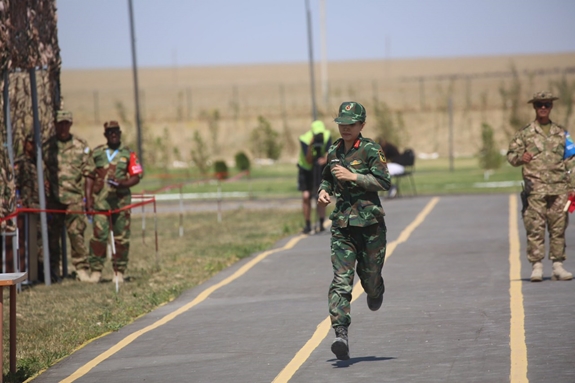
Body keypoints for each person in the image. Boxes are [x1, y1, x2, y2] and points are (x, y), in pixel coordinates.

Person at [317, 101, 391, 360]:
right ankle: (340, 334)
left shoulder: (371, 150)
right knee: (341, 281)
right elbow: (327, 176)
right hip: (342, 228)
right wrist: (324, 190)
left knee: (369, 279)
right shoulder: (334, 150)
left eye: (351, 125)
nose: (345, 129)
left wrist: (354, 177)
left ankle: (376, 289)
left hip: (370, 226)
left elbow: (384, 182)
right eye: (342, 124)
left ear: (362, 125)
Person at [507, 91, 574, 282]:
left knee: (558, 227)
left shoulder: (561, 133)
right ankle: (536, 266)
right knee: (535, 227)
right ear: (534, 107)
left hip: (559, 189)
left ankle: (558, 266)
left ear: (551, 106)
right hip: (535, 189)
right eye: (539, 105)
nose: (543, 108)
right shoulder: (525, 133)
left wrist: (573, 186)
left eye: (546, 104)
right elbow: (511, 155)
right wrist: (521, 159)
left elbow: (571, 160)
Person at [87, 121, 143, 283]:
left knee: (121, 237)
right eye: (110, 132)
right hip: (100, 202)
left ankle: (119, 271)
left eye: (116, 132)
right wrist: (88, 198)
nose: (113, 135)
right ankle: (96, 271)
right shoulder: (97, 153)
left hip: (121, 202)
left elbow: (136, 177)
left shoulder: (128, 153)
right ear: (105, 135)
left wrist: (122, 183)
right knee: (99, 236)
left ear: (120, 133)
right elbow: (89, 176)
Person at [43, 110, 95, 283]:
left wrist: (88, 198)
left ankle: (81, 269)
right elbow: (42, 171)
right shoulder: (47, 147)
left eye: (66, 123)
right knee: (52, 236)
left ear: (70, 124)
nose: (63, 127)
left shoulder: (80, 145)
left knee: (76, 234)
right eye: (60, 123)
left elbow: (89, 172)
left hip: (74, 199)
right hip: (54, 200)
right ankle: (53, 271)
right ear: (56, 124)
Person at [14, 134, 44, 278]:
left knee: (42, 241)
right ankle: (33, 272)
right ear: (25, 144)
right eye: (31, 143)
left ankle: (42, 270)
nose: (33, 146)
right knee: (31, 241)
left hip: (41, 207)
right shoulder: (21, 162)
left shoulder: (39, 161)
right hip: (28, 208)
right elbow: (15, 184)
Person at [297, 120, 332, 233]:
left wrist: (325, 159)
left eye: (320, 134)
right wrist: (311, 145)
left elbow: (329, 152)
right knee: (306, 196)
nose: (319, 137)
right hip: (306, 168)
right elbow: (308, 159)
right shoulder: (305, 139)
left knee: (320, 194)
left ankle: (321, 223)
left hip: (320, 168)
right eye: (317, 134)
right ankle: (307, 224)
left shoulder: (327, 136)